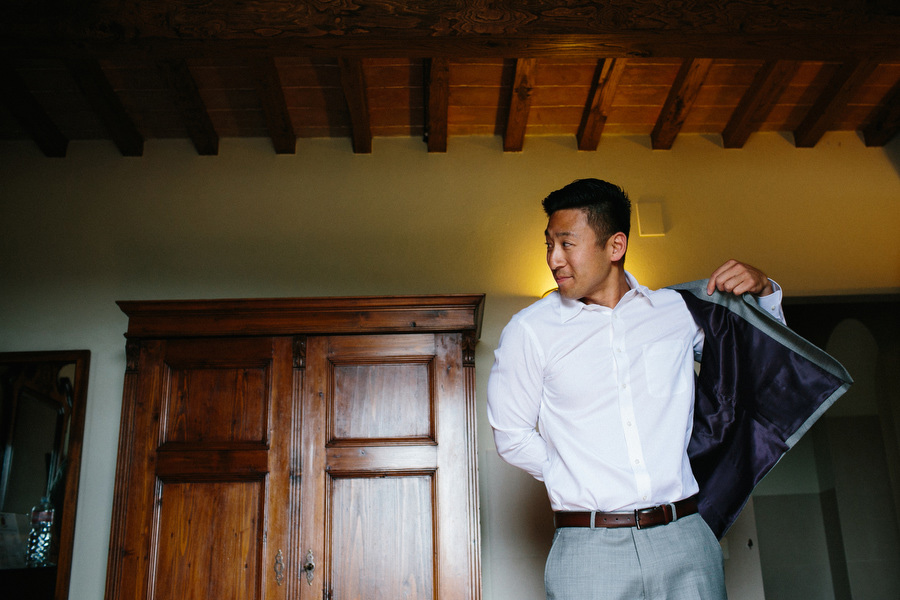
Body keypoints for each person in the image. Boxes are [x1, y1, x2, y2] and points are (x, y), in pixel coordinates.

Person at [486, 178, 787, 599]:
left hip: (686, 538)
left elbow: (757, 365)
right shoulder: (529, 331)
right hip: (589, 549)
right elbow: (511, 435)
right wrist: (570, 474)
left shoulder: (679, 311)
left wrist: (766, 289)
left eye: (567, 243)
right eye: (548, 244)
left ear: (615, 246)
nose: (554, 258)